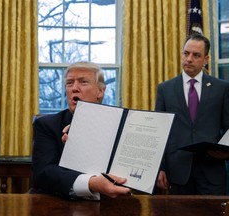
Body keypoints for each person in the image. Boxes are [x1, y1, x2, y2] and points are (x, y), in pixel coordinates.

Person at [32, 61, 131, 200]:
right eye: (69, 83)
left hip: (111, 202)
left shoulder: (124, 125)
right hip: (59, 202)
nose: (74, 88)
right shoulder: (46, 125)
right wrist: (92, 184)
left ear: (100, 91)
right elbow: (44, 174)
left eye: (83, 82)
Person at [155, 34, 229, 195]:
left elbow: (228, 127)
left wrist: (225, 150)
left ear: (206, 59)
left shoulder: (221, 88)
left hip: (212, 171)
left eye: (196, 55)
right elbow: (158, 132)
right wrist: (159, 168)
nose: (189, 59)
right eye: (186, 53)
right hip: (178, 172)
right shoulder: (165, 89)